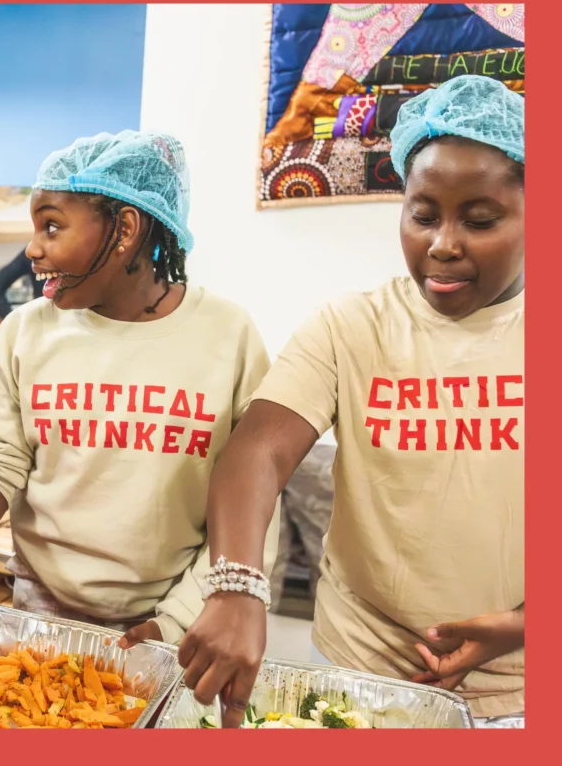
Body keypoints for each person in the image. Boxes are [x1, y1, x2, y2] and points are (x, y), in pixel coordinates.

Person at [178, 75, 525, 724]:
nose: (443, 243)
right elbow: (255, 453)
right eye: (423, 214)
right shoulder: (350, 326)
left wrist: (523, 626)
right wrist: (237, 587)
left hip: (521, 691)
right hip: (360, 671)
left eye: (480, 220)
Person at [0, 130, 279, 645]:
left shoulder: (228, 336)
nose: (32, 248)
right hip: (40, 609)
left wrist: (173, 621)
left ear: (125, 228)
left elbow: (251, 498)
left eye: (52, 226)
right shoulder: (24, 334)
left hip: (177, 614)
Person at [0, 248, 44, 320]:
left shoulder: (35, 252)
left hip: (43, 323)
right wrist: (13, 322)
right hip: (44, 322)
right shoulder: (34, 253)